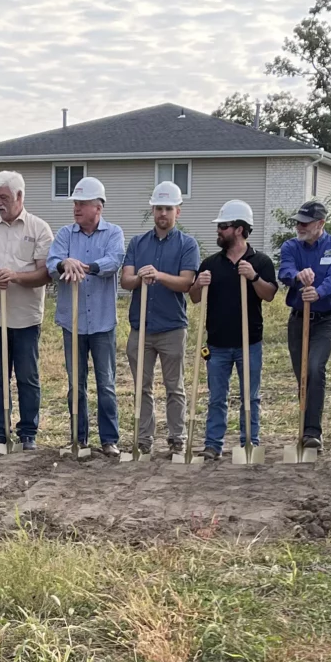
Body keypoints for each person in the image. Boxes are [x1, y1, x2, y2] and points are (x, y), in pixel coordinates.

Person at [0, 170, 53, 451]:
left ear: (19, 196)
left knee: (27, 377)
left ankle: (28, 433)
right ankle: (0, 432)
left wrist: (15, 276)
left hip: (26, 318)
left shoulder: (38, 228)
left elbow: (45, 274)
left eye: (4, 197)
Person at [188, 199, 276, 460]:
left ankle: (249, 442)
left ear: (239, 229)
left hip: (250, 343)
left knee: (250, 397)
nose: (219, 231)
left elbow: (269, 295)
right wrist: (198, 284)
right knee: (217, 397)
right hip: (216, 344)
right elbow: (194, 298)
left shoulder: (259, 261)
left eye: (223, 226)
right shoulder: (210, 263)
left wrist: (254, 278)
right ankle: (213, 444)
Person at [46, 176, 126, 457]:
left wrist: (87, 266)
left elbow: (115, 260)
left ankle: (109, 440)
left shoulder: (113, 232)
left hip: (103, 322)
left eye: (82, 203)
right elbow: (51, 264)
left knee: (106, 383)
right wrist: (63, 262)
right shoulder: (66, 234)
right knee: (75, 384)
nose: (76, 208)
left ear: (98, 207)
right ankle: (78, 439)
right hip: (73, 322)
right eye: (75, 204)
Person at [119, 180, 200, 457]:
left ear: (178, 211)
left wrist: (159, 276)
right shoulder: (138, 243)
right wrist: (140, 276)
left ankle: (177, 437)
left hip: (172, 327)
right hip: (140, 327)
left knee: (174, 385)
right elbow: (126, 280)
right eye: (158, 208)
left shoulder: (187, 245)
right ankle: (144, 439)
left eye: (167, 208)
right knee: (141, 387)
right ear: (152, 211)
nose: (162, 213)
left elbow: (187, 283)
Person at [276, 199, 331, 452]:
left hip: (325, 320)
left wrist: (317, 292)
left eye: (305, 223)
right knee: (302, 375)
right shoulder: (290, 246)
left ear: (320, 223)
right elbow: (284, 270)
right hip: (298, 320)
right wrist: (297, 276)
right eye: (298, 222)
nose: (300, 226)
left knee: (315, 368)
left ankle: (312, 432)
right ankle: (303, 428)